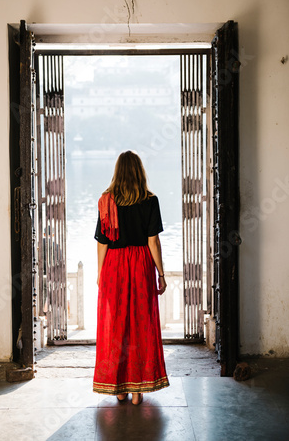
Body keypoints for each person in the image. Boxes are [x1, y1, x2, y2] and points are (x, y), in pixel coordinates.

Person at [93, 150, 169, 405]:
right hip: (140, 266)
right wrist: (161, 272)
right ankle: (138, 390)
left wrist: (100, 273)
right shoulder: (150, 200)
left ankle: (119, 387)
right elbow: (153, 241)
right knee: (140, 325)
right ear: (139, 172)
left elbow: (102, 242)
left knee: (116, 326)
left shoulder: (106, 200)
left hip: (114, 265)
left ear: (117, 172)